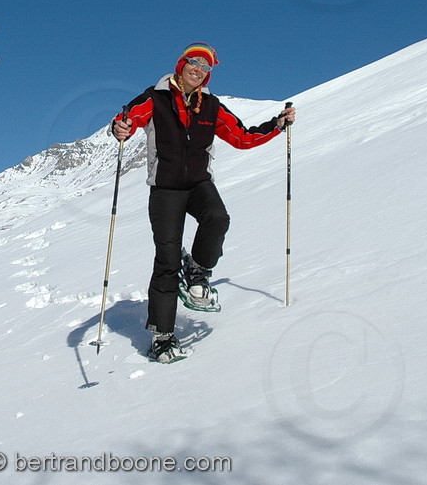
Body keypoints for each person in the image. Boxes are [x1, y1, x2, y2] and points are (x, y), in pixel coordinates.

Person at [111, 43, 295, 363]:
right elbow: (130, 118)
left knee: (217, 217)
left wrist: (276, 125)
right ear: (182, 64)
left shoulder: (211, 106)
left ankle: (197, 269)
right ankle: (163, 337)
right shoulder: (156, 97)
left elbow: (242, 136)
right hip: (165, 189)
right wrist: (122, 127)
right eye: (195, 62)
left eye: (206, 67)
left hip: (198, 184)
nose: (199, 69)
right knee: (167, 259)